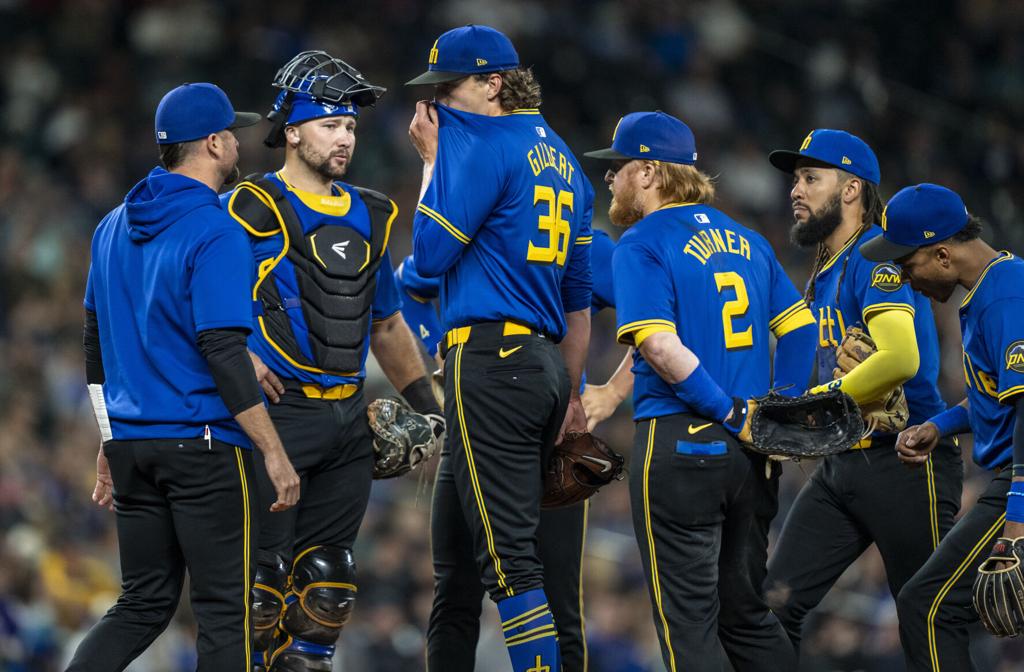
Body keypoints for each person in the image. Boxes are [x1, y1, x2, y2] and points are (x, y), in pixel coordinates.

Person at [223, 52, 444, 672]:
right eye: (329, 124)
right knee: (260, 592)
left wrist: (430, 407)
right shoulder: (246, 208)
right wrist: (236, 352)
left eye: (349, 126)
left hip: (347, 418)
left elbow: (388, 322)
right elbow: (195, 303)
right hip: (277, 417)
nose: (344, 136)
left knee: (328, 582)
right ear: (291, 129)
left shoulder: (372, 212)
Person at [70, 83, 300, 672]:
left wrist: (109, 432)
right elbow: (222, 347)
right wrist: (272, 450)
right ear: (216, 142)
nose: (240, 142)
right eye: (234, 133)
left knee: (141, 604)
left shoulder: (111, 226)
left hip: (132, 446)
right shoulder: (216, 228)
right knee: (226, 612)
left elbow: (96, 348)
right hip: (201, 446)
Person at [585, 110, 817, 672]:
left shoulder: (641, 241)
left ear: (647, 172)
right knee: (745, 617)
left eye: (617, 167)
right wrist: (773, 415)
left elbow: (660, 348)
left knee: (687, 628)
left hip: (683, 445)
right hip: (753, 459)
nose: (609, 180)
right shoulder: (748, 239)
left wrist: (732, 412)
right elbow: (800, 327)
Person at [406, 24, 593, 672]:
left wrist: (431, 161)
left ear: (492, 83)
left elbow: (428, 257)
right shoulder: (566, 161)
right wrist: (567, 397)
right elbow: (577, 303)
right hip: (537, 366)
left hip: (492, 362)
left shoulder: (485, 146)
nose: (437, 106)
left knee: (507, 561)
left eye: (447, 88)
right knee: (454, 567)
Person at [762, 130, 964, 655]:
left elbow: (901, 358)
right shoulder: (825, 270)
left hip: (907, 462)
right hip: (844, 464)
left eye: (811, 178)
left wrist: (815, 404)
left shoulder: (875, 255)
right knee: (773, 606)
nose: (796, 191)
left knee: (927, 620)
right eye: (795, 180)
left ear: (851, 189)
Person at [395, 238, 614, 672]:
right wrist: (441, 344)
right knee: (457, 592)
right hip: (481, 416)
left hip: (547, 433)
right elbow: (407, 286)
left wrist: (612, 393)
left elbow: (656, 316)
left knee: (555, 600)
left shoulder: (568, 224)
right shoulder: (474, 225)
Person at [860, 184, 1024, 671]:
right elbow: (996, 400)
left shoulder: (1005, 298)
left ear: (944, 253)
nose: (907, 279)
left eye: (909, 264)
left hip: (1017, 483)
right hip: (1011, 477)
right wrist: (941, 425)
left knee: (926, 608)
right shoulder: (996, 285)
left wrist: (1016, 517)